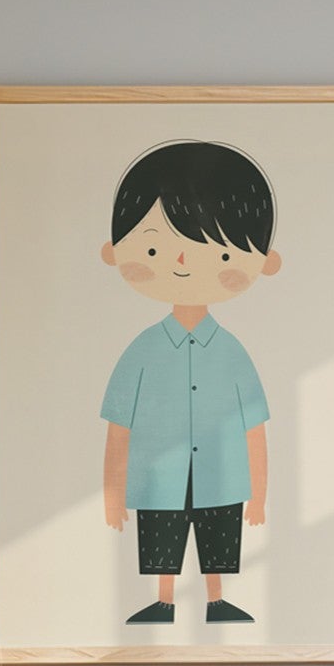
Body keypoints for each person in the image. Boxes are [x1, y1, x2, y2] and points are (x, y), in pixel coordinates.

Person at [98, 141, 280, 626]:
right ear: (113, 252)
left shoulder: (233, 353)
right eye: (155, 247)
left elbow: (253, 427)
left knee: (217, 536)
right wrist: (113, 494)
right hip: (158, 480)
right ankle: (165, 600)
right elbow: (120, 427)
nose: (182, 261)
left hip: (223, 477)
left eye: (216, 251)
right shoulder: (141, 350)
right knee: (163, 534)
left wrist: (258, 494)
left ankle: (217, 600)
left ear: (265, 260)